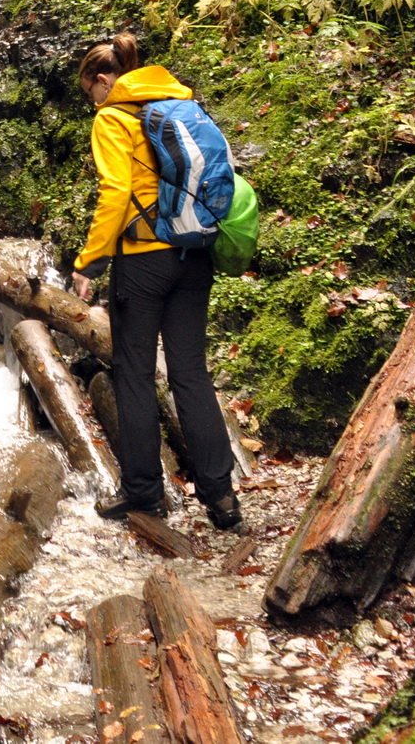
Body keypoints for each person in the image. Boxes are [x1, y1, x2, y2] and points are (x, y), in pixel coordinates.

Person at [69, 33, 242, 530]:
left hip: (144, 260)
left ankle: (143, 494)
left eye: (90, 92)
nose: (93, 102)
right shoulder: (178, 102)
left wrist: (90, 262)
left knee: (135, 375)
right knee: (190, 373)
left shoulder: (113, 118)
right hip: (194, 253)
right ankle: (222, 498)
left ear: (104, 80)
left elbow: (117, 192)